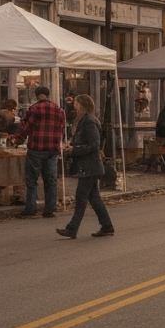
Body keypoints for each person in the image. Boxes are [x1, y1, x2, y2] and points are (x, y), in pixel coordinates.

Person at [57, 94, 115, 239]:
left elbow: (94, 145)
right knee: (94, 197)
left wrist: (74, 150)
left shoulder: (89, 122)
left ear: (82, 105)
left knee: (81, 197)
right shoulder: (84, 121)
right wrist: (72, 147)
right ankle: (107, 226)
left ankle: (72, 228)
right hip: (88, 166)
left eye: (76, 104)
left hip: (89, 166)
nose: (74, 107)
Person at [13, 85, 64, 219]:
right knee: (50, 179)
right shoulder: (59, 110)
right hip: (52, 149)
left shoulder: (34, 109)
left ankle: (31, 208)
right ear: (48, 95)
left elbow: (26, 127)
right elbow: (61, 128)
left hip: (36, 148)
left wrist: (18, 138)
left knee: (31, 180)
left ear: (36, 95)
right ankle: (50, 209)